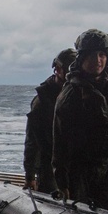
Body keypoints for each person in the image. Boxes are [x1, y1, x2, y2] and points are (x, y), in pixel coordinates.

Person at [53, 28, 108, 206]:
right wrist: (62, 183)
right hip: (82, 169)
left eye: (102, 55)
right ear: (81, 58)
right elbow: (60, 142)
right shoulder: (70, 95)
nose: (98, 61)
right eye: (92, 56)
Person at [23, 48, 76, 193]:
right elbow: (32, 141)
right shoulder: (42, 101)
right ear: (58, 70)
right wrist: (29, 176)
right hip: (50, 166)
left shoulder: (78, 93)